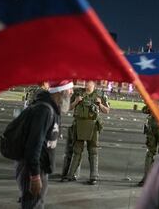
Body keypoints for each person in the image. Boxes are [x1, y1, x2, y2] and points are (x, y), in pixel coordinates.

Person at [16, 80, 73, 208]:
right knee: (33, 204)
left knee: (35, 202)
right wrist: (35, 176)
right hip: (34, 169)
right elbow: (33, 145)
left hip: (39, 167)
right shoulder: (45, 110)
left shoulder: (51, 108)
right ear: (61, 91)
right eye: (70, 89)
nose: (72, 92)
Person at [64, 80, 109, 185]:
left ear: (93, 83)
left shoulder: (100, 94)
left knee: (93, 151)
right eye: (85, 81)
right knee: (77, 151)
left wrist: (100, 104)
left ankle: (94, 176)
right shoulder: (78, 93)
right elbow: (68, 108)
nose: (85, 83)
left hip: (93, 126)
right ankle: (70, 175)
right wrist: (75, 102)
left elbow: (107, 110)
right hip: (79, 125)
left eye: (88, 82)